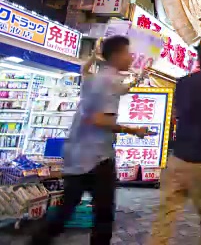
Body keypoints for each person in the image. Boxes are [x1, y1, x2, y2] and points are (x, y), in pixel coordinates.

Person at [30, 36, 152, 245]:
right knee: (104, 215)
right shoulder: (110, 81)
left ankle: (37, 241)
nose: (131, 56)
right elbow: (100, 119)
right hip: (98, 159)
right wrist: (134, 130)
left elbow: (91, 76)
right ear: (115, 56)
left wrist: (139, 78)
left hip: (76, 155)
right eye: (127, 52)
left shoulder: (95, 78)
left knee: (66, 210)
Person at [147, 39, 201, 245]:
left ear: (199, 57)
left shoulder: (184, 83)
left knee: (166, 216)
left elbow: (178, 112)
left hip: (181, 157)